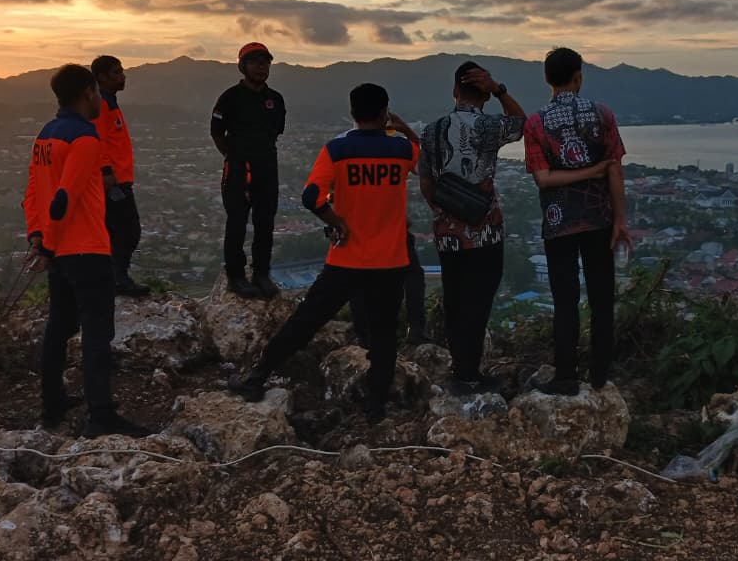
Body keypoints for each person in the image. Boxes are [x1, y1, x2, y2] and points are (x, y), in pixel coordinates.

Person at [228, 84, 420, 424]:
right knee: (384, 334)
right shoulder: (401, 151)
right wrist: (402, 127)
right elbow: (420, 153)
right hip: (390, 261)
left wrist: (336, 221)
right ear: (383, 111)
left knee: (305, 321)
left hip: (346, 259)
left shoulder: (337, 150)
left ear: (351, 112)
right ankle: (375, 406)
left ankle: (257, 377)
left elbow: (312, 197)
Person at [23, 64, 150, 438]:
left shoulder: (45, 136)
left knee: (59, 326)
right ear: (88, 93)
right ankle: (101, 414)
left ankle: (53, 402)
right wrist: (46, 243)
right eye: (95, 91)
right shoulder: (85, 138)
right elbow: (65, 197)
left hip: (59, 252)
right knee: (97, 332)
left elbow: (33, 194)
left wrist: (38, 237)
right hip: (86, 249)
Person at [523, 48, 631, 396]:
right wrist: (620, 219)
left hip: (558, 224)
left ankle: (566, 375)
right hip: (599, 219)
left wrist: (580, 172)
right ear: (579, 77)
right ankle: (600, 374)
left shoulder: (536, 122)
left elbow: (543, 178)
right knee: (602, 297)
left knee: (565, 300)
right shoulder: (602, 114)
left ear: (546, 79)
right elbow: (615, 169)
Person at [419, 61, 526, 395]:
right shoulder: (490, 126)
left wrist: (443, 210)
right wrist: (500, 89)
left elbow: (425, 181)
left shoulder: (431, 130)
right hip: (486, 230)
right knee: (479, 301)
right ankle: (470, 372)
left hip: (447, 232)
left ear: (454, 91)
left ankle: (459, 368)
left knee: (455, 299)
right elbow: (521, 124)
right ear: (486, 96)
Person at [211, 42, 286, 299]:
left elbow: (276, 131)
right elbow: (216, 130)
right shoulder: (230, 97)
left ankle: (262, 274)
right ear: (243, 66)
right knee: (237, 224)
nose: (261, 67)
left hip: (267, 167)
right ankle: (236, 276)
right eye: (255, 62)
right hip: (239, 169)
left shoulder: (275, 100)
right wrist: (232, 156)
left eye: (265, 62)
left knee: (265, 223)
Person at [91, 55, 150, 297]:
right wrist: (106, 172)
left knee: (115, 231)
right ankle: (118, 278)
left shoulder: (109, 102)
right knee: (128, 230)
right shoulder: (101, 104)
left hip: (119, 178)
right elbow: (97, 139)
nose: (122, 76)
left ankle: (110, 278)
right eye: (116, 72)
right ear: (102, 77)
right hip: (113, 181)